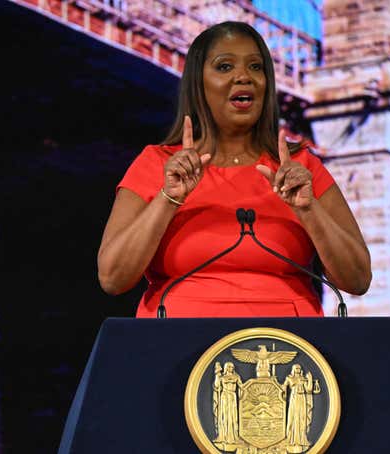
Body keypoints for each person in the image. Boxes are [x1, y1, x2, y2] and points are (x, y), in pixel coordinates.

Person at [97, 21, 371, 317]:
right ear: (198, 84)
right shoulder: (158, 164)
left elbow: (357, 280)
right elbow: (113, 278)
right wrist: (168, 198)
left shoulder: (301, 167)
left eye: (256, 67)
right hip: (177, 347)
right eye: (225, 67)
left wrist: (309, 209)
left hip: (289, 351)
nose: (244, 77)